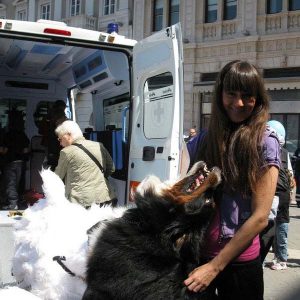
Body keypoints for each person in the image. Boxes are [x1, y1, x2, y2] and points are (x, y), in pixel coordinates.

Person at [184, 60, 280, 299]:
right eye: (231, 94)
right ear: (220, 94)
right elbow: (185, 188)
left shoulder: (265, 142)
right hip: (197, 255)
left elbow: (260, 218)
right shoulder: (204, 139)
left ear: (257, 99)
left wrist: (214, 267)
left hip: (239, 264)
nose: (238, 103)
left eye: (247, 96)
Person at [55, 120, 117, 208]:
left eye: (60, 139)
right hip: (105, 198)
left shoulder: (66, 152)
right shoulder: (99, 145)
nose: (60, 143)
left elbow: (56, 178)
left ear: (68, 135)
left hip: (82, 203)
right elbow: (111, 169)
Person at [266, 120, 294, 271]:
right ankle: (281, 258)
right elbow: (290, 174)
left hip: (274, 192)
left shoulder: (267, 148)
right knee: (281, 224)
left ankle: (275, 259)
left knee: (269, 226)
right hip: (283, 194)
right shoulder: (284, 152)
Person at [0, 109, 30, 210]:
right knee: (16, 183)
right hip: (20, 163)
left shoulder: (8, 135)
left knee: (10, 183)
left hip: (10, 162)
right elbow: (26, 150)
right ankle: (15, 202)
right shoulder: (23, 135)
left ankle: (13, 204)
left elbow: (4, 150)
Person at [39, 100, 68, 170]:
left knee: (49, 164)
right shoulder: (60, 115)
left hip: (48, 144)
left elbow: (40, 130)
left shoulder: (47, 116)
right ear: (62, 107)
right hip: (57, 144)